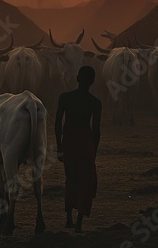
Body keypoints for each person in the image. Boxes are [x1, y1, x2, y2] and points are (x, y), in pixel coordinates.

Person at [55, 65, 102, 233]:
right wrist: (93, 151)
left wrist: (59, 146)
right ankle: (79, 222)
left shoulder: (65, 98)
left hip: (68, 141)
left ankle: (68, 219)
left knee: (71, 178)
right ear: (92, 81)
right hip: (85, 142)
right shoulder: (95, 103)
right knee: (86, 181)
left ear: (77, 78)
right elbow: (96, 130)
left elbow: (58, 124)